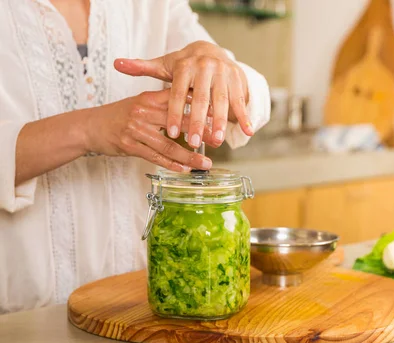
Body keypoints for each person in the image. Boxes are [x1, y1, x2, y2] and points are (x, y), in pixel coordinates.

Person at [0, 0, 271, 313]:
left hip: (139, 317)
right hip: (19, 325)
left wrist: (216, 66)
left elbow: (253, 95)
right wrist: (88, 128)